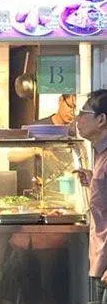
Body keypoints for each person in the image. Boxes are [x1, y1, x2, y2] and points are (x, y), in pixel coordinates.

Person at [73, 90, 107, 303]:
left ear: (101, 119)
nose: (77, 119)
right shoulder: (100, 154)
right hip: (100, 258)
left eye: (83, 113)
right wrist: (94, 180)